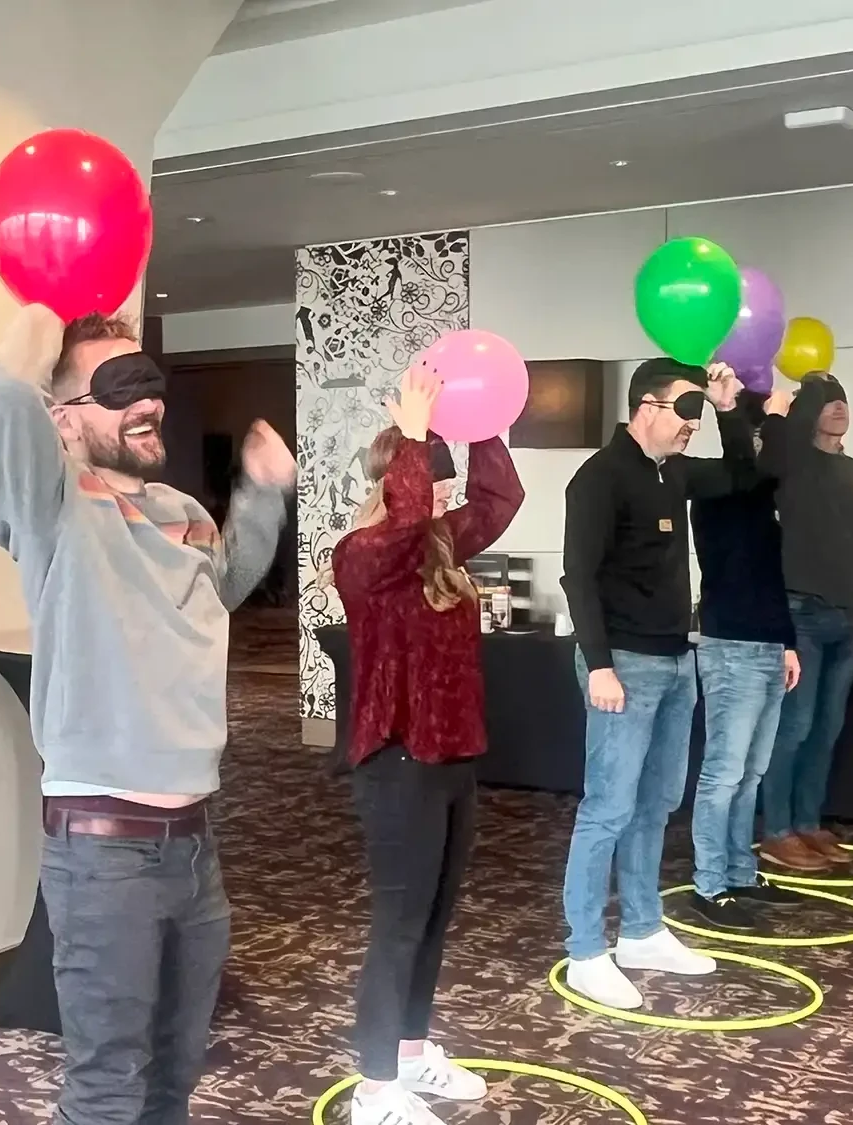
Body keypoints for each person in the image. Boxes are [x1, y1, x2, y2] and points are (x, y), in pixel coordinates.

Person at [0, 304, 293, 1125]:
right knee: (108, 1081)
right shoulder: (54, 508)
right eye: (120, 386)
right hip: (101, 852)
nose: (148, 400)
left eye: (148, 380)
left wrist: (260, 494)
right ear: (66, 416)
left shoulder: (179, 509)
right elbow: (9, 398)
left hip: (194, 845)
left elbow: (220, 590)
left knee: (175, 1066)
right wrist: (43, 307)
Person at [330, 366, 524, 1125]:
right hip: (397, 763)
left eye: (443, 484)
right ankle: (375, 1089)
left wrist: (480, 427)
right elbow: (407, 522)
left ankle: (410, 1054)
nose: (442, 499)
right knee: (399, 922)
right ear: (395, 480)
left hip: (452, 759)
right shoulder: (362, 554)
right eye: (427, 481)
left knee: (436, 918)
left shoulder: (440, 543)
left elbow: (498, 500)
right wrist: (414, 435)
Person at [558, 358, 750, 1011]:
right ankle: (585, 948)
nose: (691, 426)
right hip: (624, 664)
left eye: (699, 416)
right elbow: (576, 578)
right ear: (645, 405)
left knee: (655, 803)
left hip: (675, 659)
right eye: (684, 412)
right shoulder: (599, 478)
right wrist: (600, 663)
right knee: (607, 806)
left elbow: (743, 476)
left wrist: (732, 409)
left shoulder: (672, 472)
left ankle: (640, 930)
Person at [755, 373, 853, 872]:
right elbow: (768, 459)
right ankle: (777, 830)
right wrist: (785, 410)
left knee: (827, 727)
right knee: (796, 725)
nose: (837, 408)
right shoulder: (791, 465)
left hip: (844, 618)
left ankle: (809, 823)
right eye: (825, 402)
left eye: (843, 401)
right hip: (799, 613)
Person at [686, 389, 805, 930]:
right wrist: (764, 416)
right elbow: (763, 466)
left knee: (750, 772)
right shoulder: (719, 487)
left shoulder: (760, 496)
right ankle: (709, 884)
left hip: (763, 644)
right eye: (762, 438)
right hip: (729, 646)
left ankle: (739, 871)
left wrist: (786, 643)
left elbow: (770, 580)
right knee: (724, 773)